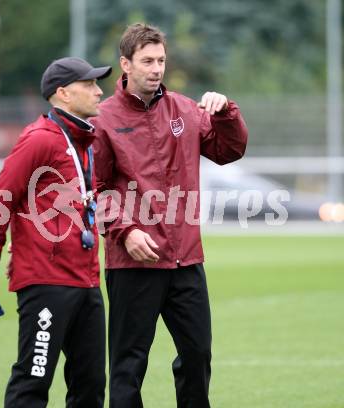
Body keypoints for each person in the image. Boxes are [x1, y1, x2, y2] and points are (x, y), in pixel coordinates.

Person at [91, 23, 248, 408]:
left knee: (198, 356)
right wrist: (125, 231)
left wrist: (225, 112)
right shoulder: (103, 118)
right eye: (147, 61)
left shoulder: (184, 109)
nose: (156, 68)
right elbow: (94, 189)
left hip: (185, 260)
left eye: (161, 60)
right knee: (128, 367)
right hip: (133, 262)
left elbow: (230, 150)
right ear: (125, 64)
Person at [0, 57, 112, 408]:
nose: (98, 90)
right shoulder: (38, 139)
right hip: (47, 283)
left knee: (90, 386)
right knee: (33, 381)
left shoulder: (85, 142)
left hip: (87, 282)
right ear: (63, 93)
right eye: (89, 84)